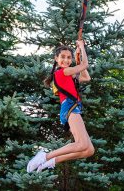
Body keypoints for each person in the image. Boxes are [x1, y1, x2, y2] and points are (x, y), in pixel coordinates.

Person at [27, 40, 94, 173]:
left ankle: (51, 161)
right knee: (81, 144)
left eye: (69, 57)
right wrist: (81, 47)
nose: (66, 60)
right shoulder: (62, 72)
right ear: (56, 59)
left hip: (73, 108)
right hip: (70, 108)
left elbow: (86, 77)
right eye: (62, 57)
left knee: (89, 150)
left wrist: (78, 58)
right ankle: (45, 156)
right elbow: (85, 64)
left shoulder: (68, 73)